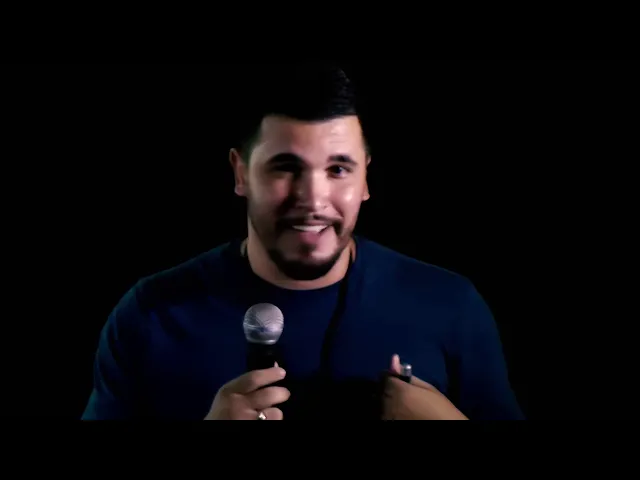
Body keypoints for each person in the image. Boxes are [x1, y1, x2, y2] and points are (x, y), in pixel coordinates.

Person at [82, 63, 524, 420]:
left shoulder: (450, 306)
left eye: (338, 169)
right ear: (240, 173)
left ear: (365, 179)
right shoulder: (151, 315)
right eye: (285, 167)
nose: (313, 200)